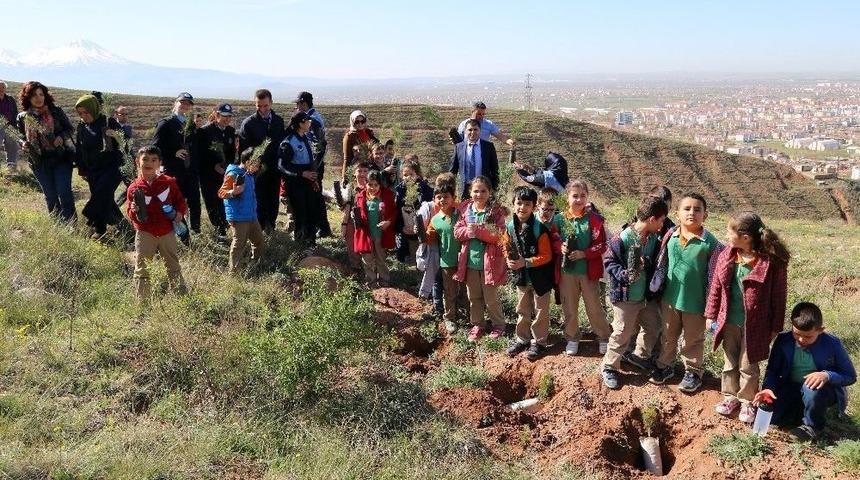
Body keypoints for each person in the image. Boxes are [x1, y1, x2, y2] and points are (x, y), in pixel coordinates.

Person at [706, 212, 790, 423]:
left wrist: (775, 327)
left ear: (745, 237)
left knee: (748, 364)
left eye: (730, 231)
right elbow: (716, 288)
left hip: (757, 326)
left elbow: (779, 297)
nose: (726, 235)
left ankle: (746, 401)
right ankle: (729, 396)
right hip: (730, 321)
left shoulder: (771, 262)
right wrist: (710, 314)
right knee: (729, 361)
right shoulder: (727, 256)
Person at [649, 193, 724, 393]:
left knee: (693, 339)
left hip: (696, 303)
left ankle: (693, 372)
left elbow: (715, 276)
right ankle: (665, 366)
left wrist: (712, 307)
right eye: (687, 209)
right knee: (668, 335)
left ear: (705, 215)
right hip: (670, 299)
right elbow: (662, 264)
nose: (692, 213)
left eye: (697, 209)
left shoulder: (710, 243)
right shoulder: (670, 236)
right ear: (677, 214)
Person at [754, 302, 856, 441]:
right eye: (797, 334)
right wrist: (768, 388)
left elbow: (850, 375)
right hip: (791, 387)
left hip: (821, 392)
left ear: (820, 330)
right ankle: (796, 415)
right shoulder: (784, 340)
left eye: (808, 336)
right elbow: (773, 370)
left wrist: (826, 375)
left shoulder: (832, 344)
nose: (801, 339)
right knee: (770, 417)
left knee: (811, 388)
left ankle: (812, 427)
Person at [600, 195, 669, 389]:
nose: (663, 224)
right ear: (652, 219)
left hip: (644, 297)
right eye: (661, 220)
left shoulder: (654, 239)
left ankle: (638, 355)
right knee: (622, 332)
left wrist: (645, 264)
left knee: (653, 325)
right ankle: (609, 367)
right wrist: (624, 273)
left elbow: (653, 263)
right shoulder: (622, 238)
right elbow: (609, 261)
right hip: (626, 297)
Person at [126, 146, 187, 303]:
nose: (149, 163)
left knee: (172, 264)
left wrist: (179, 214)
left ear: (160, 163)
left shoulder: (169, 182)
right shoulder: (134, 188)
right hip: (145, 233)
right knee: (142, 267)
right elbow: (130, 213)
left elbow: (180, 201)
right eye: (145, 159)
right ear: (137, 162)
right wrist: (134, 210)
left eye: (154, 160)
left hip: (166, 231)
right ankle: (143, 302)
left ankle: (182, 299)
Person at [558, 180, 611, 356]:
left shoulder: (595, 220)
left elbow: (602, 245)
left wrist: (584, 253)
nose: (579, 199)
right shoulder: (559, 219)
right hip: (567, 272)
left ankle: (603, 337)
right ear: (567, 198)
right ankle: (572, 338)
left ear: (587, 197)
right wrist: (560, 247)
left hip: (589, 273)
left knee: (594, 307)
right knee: (570, 307)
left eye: (583, 195)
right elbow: (552, 238)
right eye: (575, 196)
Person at [453, 175, 507, 342]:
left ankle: (498, 325)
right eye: (476, 191)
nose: (479, 194)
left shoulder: (495, 211)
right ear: (470, 192)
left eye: (483, 191)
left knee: (491, 297)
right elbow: (457, 232)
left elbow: (499, 235)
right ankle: (478, 324)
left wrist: (478, 231)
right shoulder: (465, 210)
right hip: (470, 262)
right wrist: (467, 232)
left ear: (489, 192)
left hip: (489, 263)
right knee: (474, 297)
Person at [504, 186, 554, 361]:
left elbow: (547, 256)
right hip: (521, 277)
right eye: (519, 203)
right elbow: (506, 246)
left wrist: (526, 262)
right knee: (522, 309)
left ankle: (539, 341)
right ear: (513, 204)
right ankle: (522, 338)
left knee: (541, 310)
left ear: (533, 207)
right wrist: (508, 259)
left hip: (540, 278)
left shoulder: (539, 229)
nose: (522, 208)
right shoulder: (510, 226)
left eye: (527, 204)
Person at [16, 81, 77, 222]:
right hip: (39, 162)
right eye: (34, 95)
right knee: (50, 195)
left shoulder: (56, 111)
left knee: (64, 192)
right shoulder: (23, 116)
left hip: (61, 158)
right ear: (27, 98)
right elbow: (19, 136)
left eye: (41, 94)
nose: (38, 98)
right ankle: (58, 227)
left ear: (45, 95)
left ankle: (72, 226)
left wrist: (61, 137)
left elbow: (69, 129)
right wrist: (23, 143)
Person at [73, 94, 125, 239]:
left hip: (112, 167)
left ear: (94, 109)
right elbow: (79, 148)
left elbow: (125, 143)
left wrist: (115, 135)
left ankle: (89, 216)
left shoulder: (108, 122)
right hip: (92, 170)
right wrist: (81, 168)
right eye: (80, 113)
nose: (84, 116)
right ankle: (110, 228)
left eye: (86, 112)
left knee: (100, 195)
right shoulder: (82, 126)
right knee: (105, 199)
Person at [152, 92, 201, 233]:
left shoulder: (190, 124)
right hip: (173, 171)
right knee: (176, 204)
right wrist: (173, 153)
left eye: (188, 103)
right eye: (182, 102)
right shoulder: (166, 123)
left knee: (195, 202)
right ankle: (183, 235)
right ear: (176, 103)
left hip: (190, 171)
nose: (185, 105)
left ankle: (196, 231)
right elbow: (155, 147)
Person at [238, 89, 286, 233]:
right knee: (259, 200)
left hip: (275, 170)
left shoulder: (278, 121)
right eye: (259, 106)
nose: (262, 109)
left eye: (265, 105)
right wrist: (252, 164)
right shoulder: (248, 124)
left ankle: (271, 227)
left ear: (271, 103)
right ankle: (258, 231)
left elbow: (281, 144)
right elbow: (244, 150)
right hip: (257, 171)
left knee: (273, 200)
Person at [279, 111, 325, 246]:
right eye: (307, 121)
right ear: (300, 124)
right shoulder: (288, 142)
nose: (310, 123)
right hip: (295, 184)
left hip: (308, 183)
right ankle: (299, 244)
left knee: (311, 212)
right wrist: (301, 174)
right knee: (300, 215)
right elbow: (282, 166)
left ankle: (311, 242)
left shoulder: (305, 138)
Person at [219, 147, 264, 273]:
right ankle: (234, 272)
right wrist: (233, 192)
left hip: (251, 216)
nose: (258, 167)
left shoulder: (248, 175)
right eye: (256, 164)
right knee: (239, 244)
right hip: (238, 217)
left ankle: (256, 265)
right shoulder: (234, 173)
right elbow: (221, 192)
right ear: (248, 161)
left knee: (259, 241)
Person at [294, 91, 332, 238]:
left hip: (314, 165)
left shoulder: (312, 119)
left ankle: (322, 227)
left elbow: (319, 146)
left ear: (304, 104)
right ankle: (322, 227)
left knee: (315, 196)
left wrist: (313, 167)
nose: (297, 107)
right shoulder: (314, 116)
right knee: (316, 195)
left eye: (298, 104)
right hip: (314, 164)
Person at [195, 103, 235, 237]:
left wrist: (227, 167)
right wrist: (213, 166)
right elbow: (199, 155)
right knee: (212, 201)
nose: (227, 119)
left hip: (224, 174)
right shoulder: (205, 131)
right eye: (224, 116)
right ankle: (219, 230)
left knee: (224, 200)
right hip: (208, 175)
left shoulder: (230, 131)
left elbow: (231, 153)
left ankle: (224, 226)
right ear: (217, 115)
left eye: (229, 116)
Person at [353, 170, 396, 287]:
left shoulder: (386, 195)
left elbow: (393, 212)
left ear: (380, 185)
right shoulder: (361, 196)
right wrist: (355, 216)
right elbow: (358, 212)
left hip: (380, 234)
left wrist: (388, 222)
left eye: (376, 185)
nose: (372, 188)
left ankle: (384, 281)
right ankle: (371, 282)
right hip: (366, 234)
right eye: (370, 184)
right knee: (367, 259)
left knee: (381, 259)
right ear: (365, 183)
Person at [393, 157, 433, 263]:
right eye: (405, 175)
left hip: (421, 230)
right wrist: (401, 228)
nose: (408, 178)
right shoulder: (399, 191)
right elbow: (396, 213)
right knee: (406, 257)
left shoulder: (426, 190)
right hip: (405, 230)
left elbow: (430, 211)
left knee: (421, 259)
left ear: (417, 175)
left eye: (411, 174)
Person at [449, 119, 499, 199]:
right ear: (465, 131)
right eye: (470, 130)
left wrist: (494, 189)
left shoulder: (488, 147)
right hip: (465, 190)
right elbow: (453, 170)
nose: (473, 132)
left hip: (483, 189)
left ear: (480, 130)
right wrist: (449, 188)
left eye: (475, 129)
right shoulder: (459, 147)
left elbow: (494, 169)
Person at [340, 161, 371, 270]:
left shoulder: (371, 187)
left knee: (366, 245)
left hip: (366, 221)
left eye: (365, 171)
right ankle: (355, 267)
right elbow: (344, 204)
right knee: (351, 245)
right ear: (354, 173)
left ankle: (369, 269)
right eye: (359, 171)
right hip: (350, 220)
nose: (362, 174)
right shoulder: (350, 188)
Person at [341, 110, 378, 183]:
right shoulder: (349, 137)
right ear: (352, 122)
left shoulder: (368, 133)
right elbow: (347, 158)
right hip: (358, 170)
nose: (360, 124)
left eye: (362, 121)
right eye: (357, 122)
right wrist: (345, 176)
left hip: (371, 168)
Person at [1, 81, 19, 171]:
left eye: (3, 87)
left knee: (12, 144)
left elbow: (15, 112)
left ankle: (11, 166)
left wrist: (15, 124)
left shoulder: (10, 99)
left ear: (5, 89)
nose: (1, 89)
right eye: (0, 87)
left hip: (10, 124)